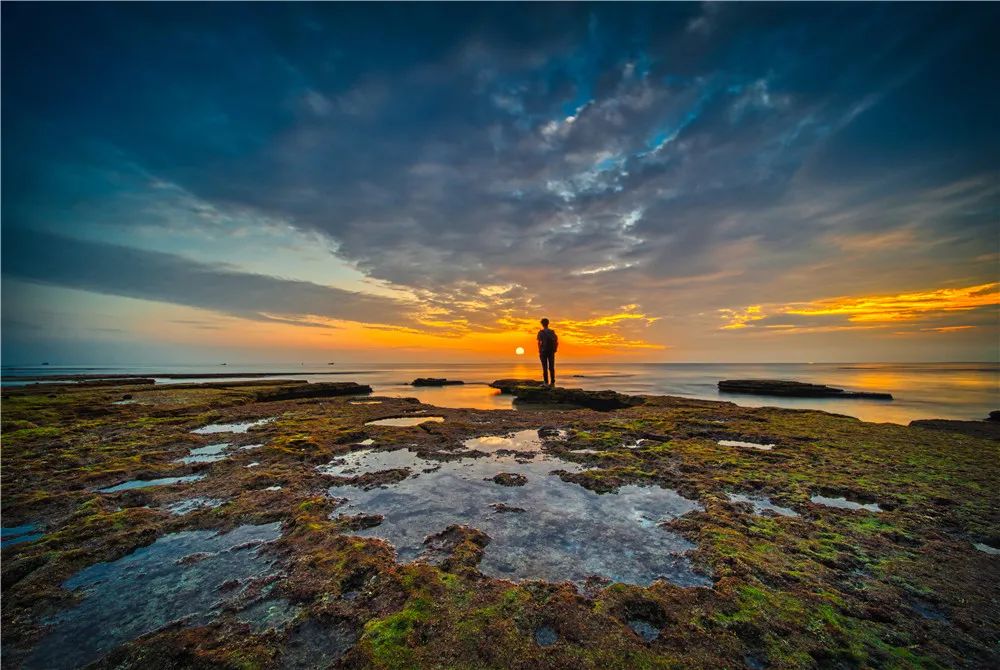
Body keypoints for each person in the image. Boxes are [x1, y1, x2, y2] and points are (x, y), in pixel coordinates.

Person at [536, 318, 558, 386]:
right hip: (551, 351)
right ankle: (552, 382)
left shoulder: (541, 332)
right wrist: (555, 350)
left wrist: (540, 350)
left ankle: (546, 382)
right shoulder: (552, 332)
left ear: (542, 324)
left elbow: (539, 342)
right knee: (551, 367)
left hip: (543, 351)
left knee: (544, 367)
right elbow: (556, 341)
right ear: (548, 323)